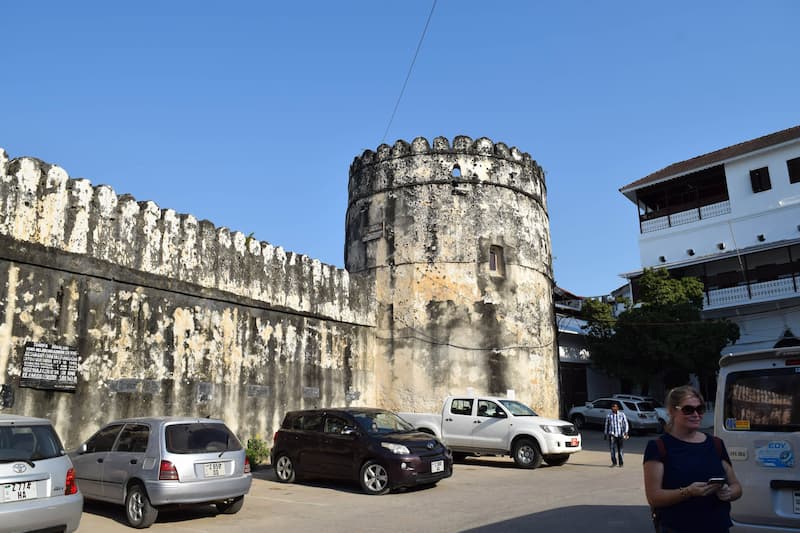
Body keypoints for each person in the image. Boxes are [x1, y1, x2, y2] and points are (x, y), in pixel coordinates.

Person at [643, 385, 743, 532]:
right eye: (688, 409)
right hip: (677, 528)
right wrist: (688, 492)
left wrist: (729, 492)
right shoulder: (658, 447)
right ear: (672, 411)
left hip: (718, 526)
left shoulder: (716, 444)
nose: (696, 414)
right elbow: (654, 497)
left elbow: (737, 487)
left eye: (700, 409)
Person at [604, 402, 629, 467]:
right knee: (612, 450)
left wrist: (626, 432)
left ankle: (621, 463)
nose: (613, 408)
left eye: (614, 406)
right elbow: (606, 425)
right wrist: (605, 434)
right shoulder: (609, 415)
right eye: (612, 407)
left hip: (620, 434)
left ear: (617, 408)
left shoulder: (622, 414)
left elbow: (625, 423)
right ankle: (614, 462)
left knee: (620, 450)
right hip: (612, 434)